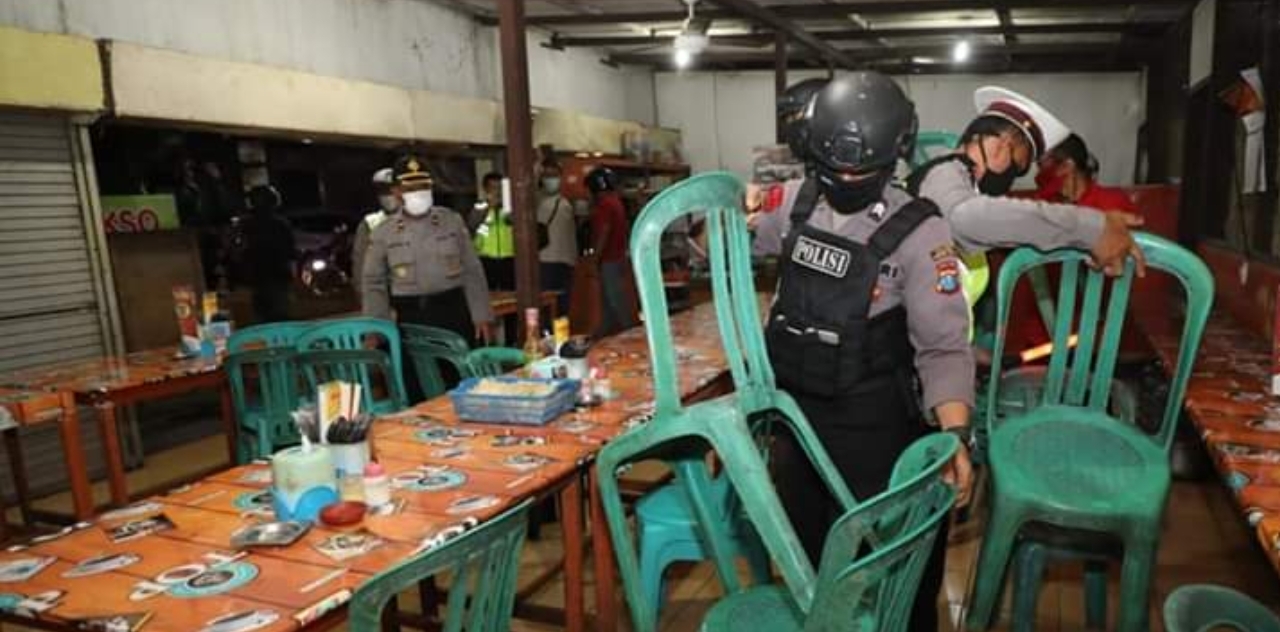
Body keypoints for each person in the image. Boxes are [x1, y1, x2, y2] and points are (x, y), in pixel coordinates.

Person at [755, 72, 974, 631]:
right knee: (811, 567)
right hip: (798, 425)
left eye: (863, 170)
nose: (848, 178)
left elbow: (944, 348)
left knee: (901, 571)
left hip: (876, 426)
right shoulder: (793, 208)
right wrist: (724, 217)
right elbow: (734, 242)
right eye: (836, 169)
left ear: (895, 153)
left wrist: (953, 436)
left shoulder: (922, 232)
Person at [905, 86, 1145, 278]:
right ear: (1002, 146)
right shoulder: (944, 173)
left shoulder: (963, 184)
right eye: (1018, 167)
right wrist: (1091, 227)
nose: (1011, 178)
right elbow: (964, 217)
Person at [363, 155, 493, 400]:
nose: (418, 193)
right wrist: (377, 326)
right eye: (411, 188)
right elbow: (373, 282)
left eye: (423, 186)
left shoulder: (450, 221)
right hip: (413, 317)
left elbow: (472, 269)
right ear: (397, 192)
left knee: (462, 384)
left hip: (453, 311)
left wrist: (481, 314)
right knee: (419, 388)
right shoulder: (384, 232)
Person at [1035, 133, 1138, 214]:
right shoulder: (1044, 205)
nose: (1039, 174)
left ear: (1067, 166)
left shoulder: (1112, 204)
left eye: (1042, 166)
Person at [586, 167, 632, 337]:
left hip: (609, 259)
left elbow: (603, 232)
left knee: (616, 301)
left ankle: (632, 334)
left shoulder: (604, 205)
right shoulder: (616, 201)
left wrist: (594, 259)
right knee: (607, 302)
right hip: (618, 257)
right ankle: (600, 334)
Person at [242, 185, 295, 323]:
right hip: (276, 276)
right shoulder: (279, 224)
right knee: (281, 316)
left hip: (258, 277)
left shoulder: (247, 225)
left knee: (263, 318)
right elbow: (290, 251)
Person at [537, 161, 577, 316]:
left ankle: (560, 337)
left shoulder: (565, 202)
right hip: (547, 261)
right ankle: (552, 337)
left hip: (564, 261)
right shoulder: (539, 202)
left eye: (554, 175)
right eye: (547, 175)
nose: (551, 179)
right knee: (551, 305)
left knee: (561, 305)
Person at [352, 168, 400, 293]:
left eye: (392, 190)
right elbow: (360, 264)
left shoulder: (417, 219)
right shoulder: (370, 223)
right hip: (383, 292)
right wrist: (363, 293)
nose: (388, 195)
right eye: (383, 191)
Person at [473, 172, 516, 290]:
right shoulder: (479, 206)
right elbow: (472, 224)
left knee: (509, 294)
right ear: (486, 189)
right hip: (486, 258)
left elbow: (514, 222)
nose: (497, 191)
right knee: (488, 294)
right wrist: (488, 207)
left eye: (499, 188)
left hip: (508, 258)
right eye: (493, 188)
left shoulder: (508, 208)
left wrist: (507, 208)